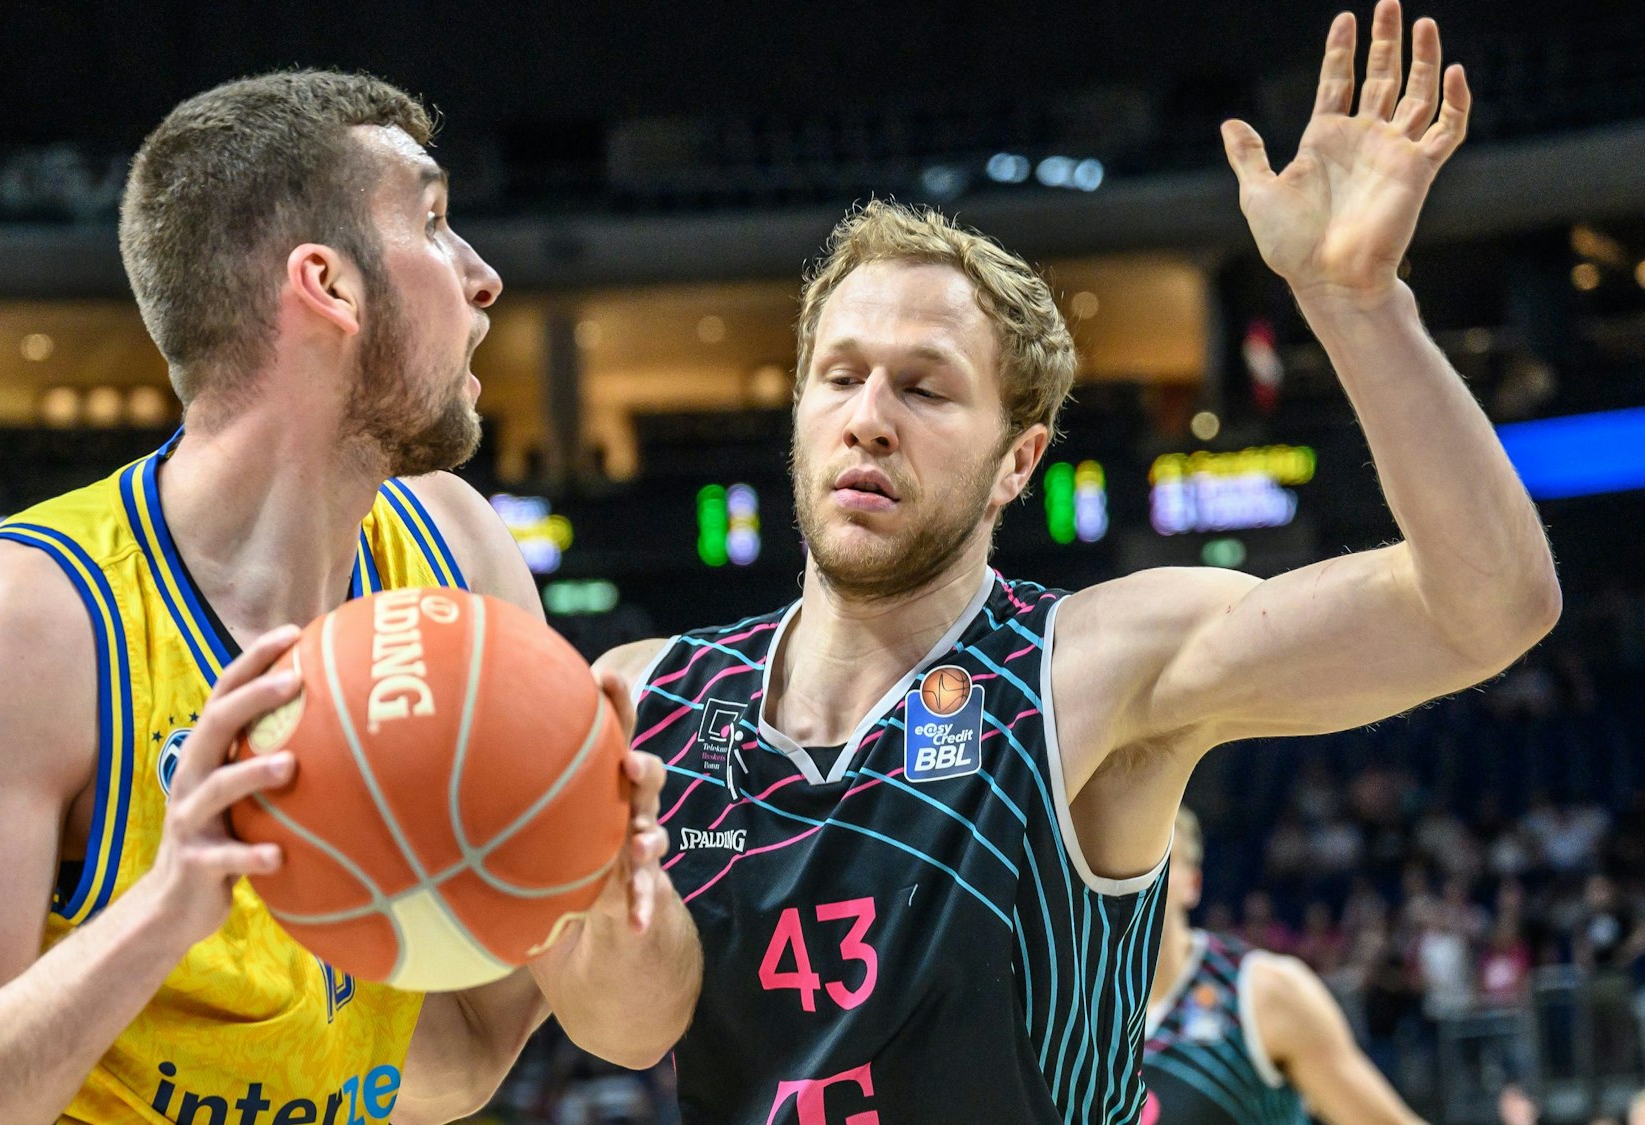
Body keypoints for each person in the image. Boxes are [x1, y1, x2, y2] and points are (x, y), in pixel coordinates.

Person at [596, 3, 1558, 1120]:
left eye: (923, 386)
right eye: (838, 375)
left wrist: (1355, 307)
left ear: (1018, 461)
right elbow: (539, 1038)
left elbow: (1485, 610)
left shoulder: (1088, 667)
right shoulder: (643, 694)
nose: (866, 417)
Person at [0, 70, 699, 1125]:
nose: (483, 278)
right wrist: (161, 914)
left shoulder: (460, 556)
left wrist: (605, 888)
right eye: (433, 223)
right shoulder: (40, 616)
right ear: (328, 287)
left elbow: (547, 1039)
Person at [1145, 810, 1423, 1125]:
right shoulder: (1083, 1016)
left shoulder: (1262, 990)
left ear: (1193, 883)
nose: (1136, 874)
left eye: (1155, 858)